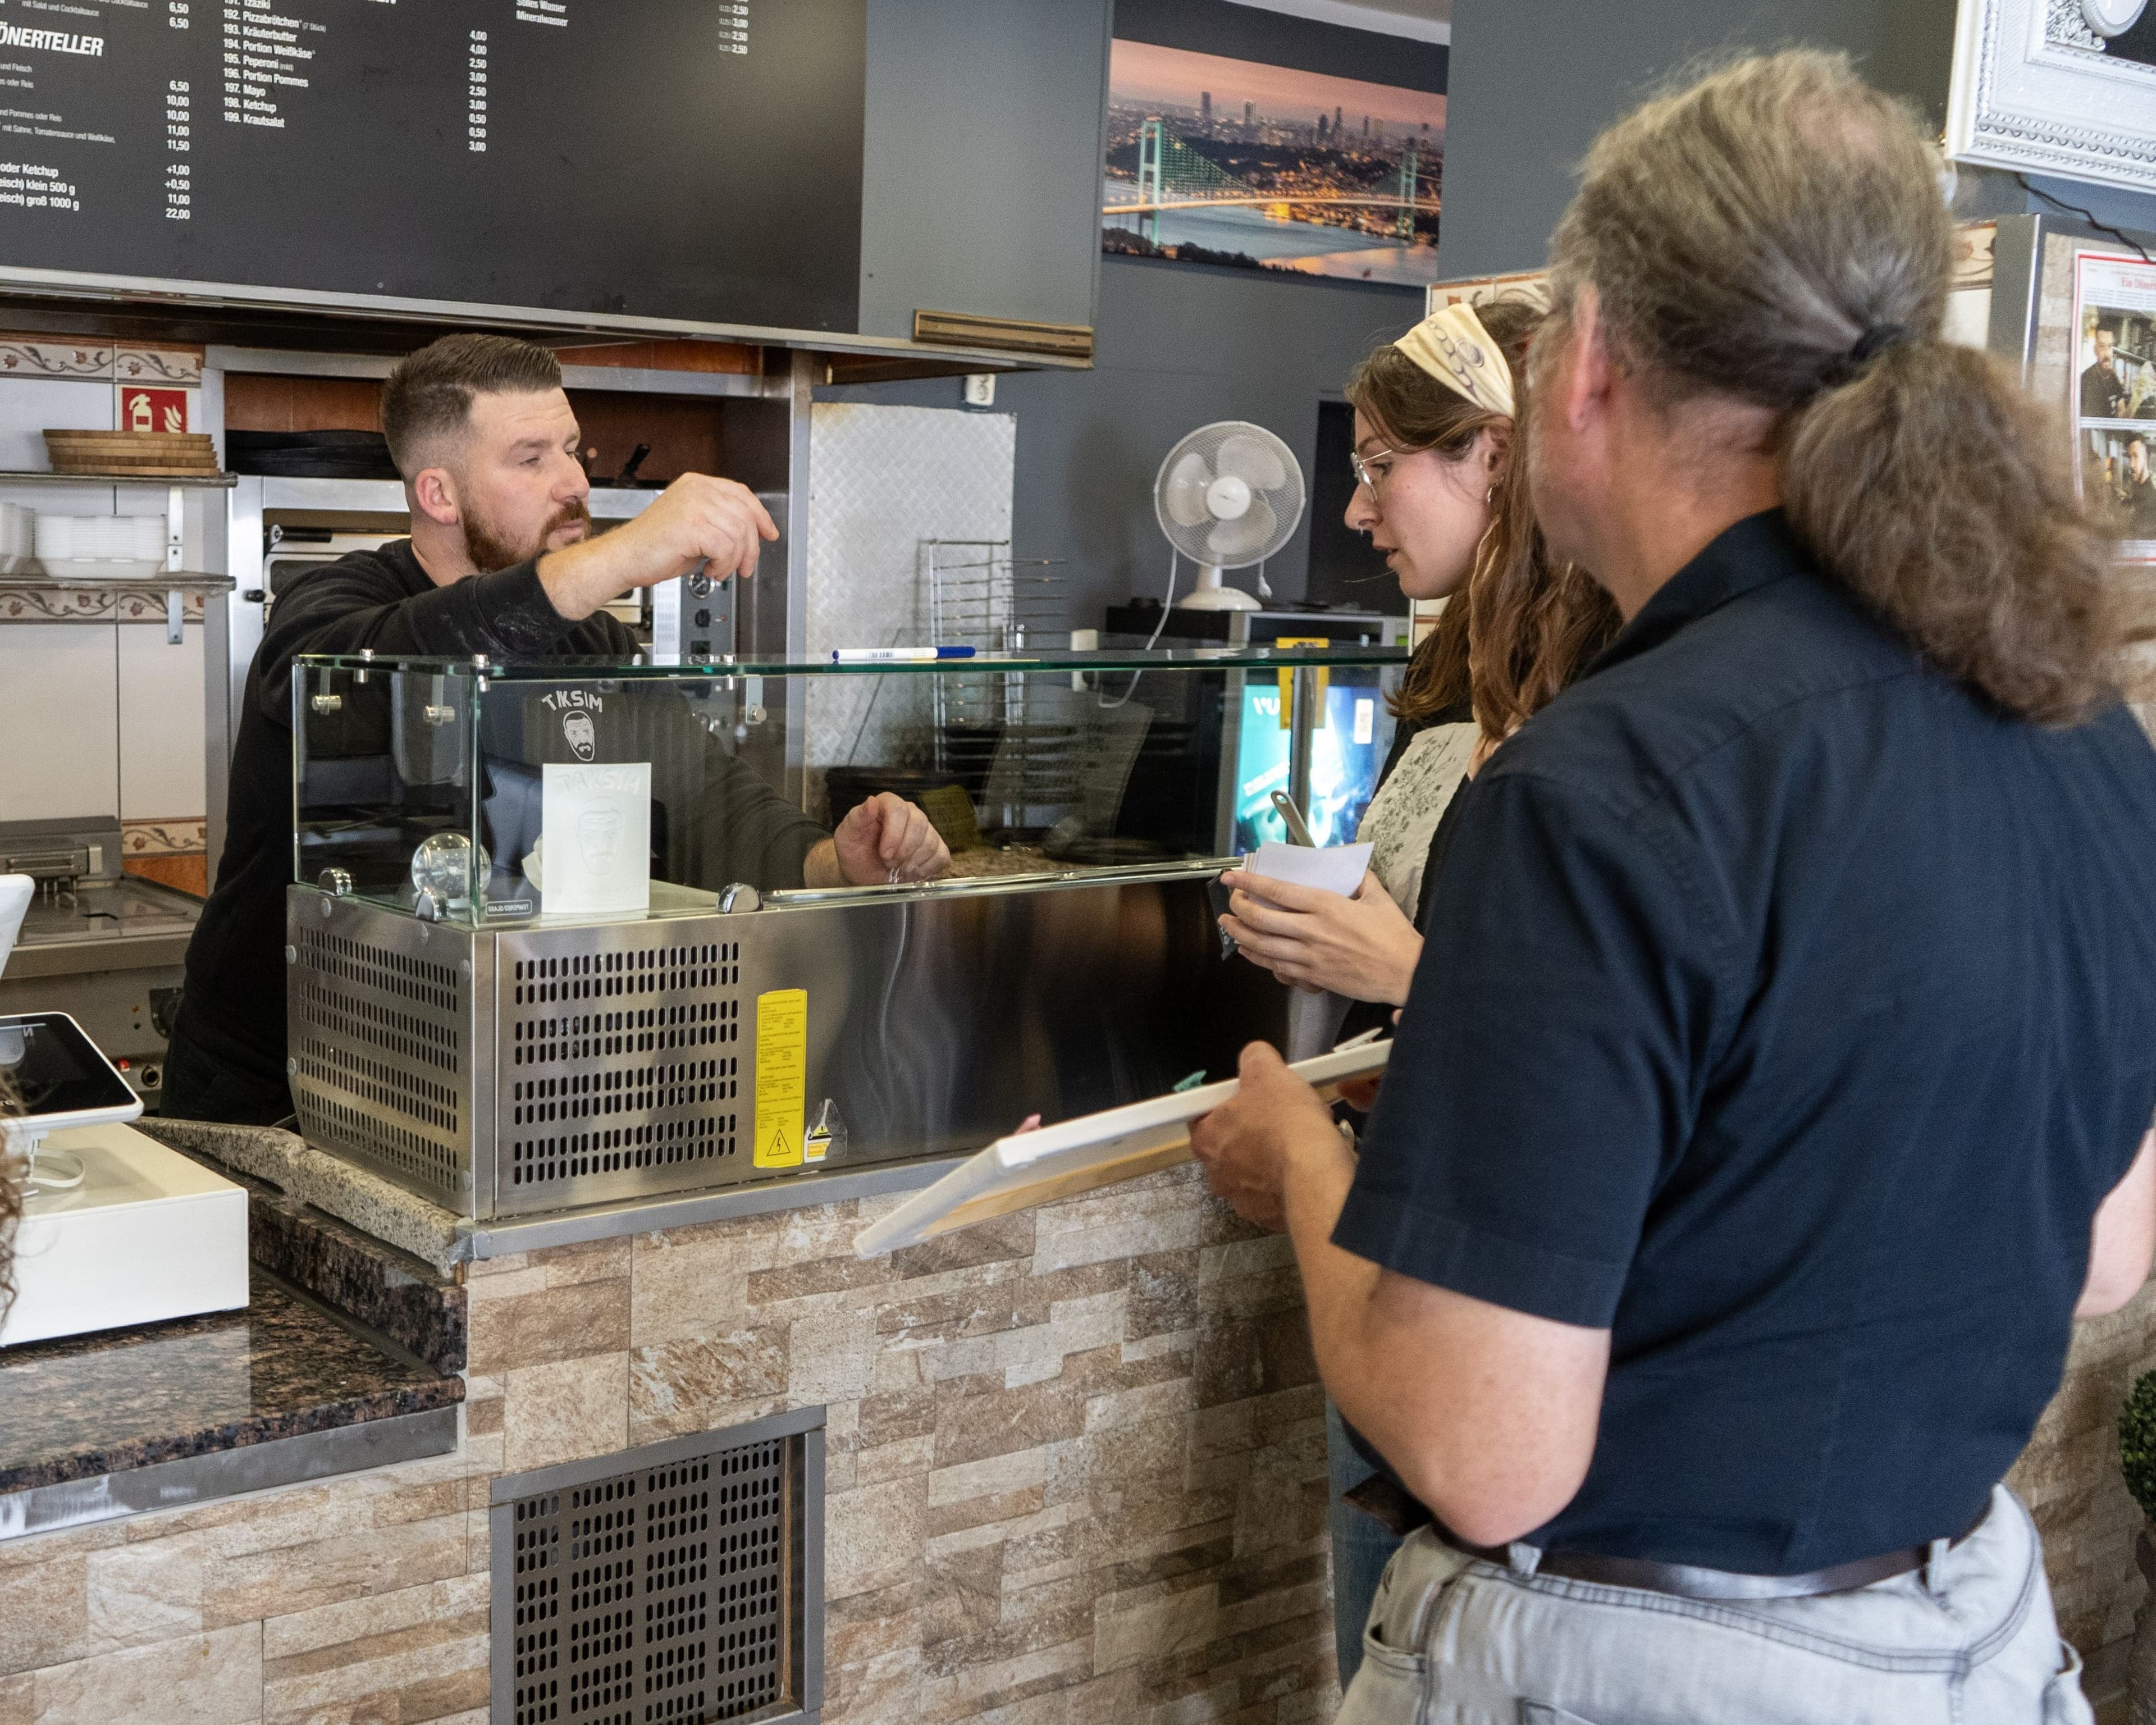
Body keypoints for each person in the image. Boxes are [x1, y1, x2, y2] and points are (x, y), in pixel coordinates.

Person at [1190, 49, 2156, 1725]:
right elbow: (2100, 1256)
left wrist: (1294, 1153)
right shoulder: (2079, 735)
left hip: (1628, 1673)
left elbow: (1485, 1449)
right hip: (1969, 1646)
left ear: (1590, 369)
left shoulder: (1596, 792)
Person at [165, 333, 946, 1126]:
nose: (574, 483)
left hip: (492, 1091)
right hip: (283, 1102)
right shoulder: (333, 610)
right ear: (438, 494)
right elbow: (353, 673)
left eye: (571, 449)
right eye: (531, 458)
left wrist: (833, 861)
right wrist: (622, 557)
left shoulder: (594, 647)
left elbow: (710, 804)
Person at [1216, 298, 1616, 1686]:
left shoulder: (1604, 720)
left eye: (1385, 459)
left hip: (1490, 1283)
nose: (1356, 498)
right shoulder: (1458, 681)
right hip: (1405, 1219)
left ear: (1493, 460)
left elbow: (1598, 1050)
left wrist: (1400, 971)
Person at [2082, 323, 2130, 419]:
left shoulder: (2113, 377)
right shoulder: (2087, 379)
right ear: (2095, 350)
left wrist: (2139, 396)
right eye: (2102, 346)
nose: (2107, 354)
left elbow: (2122, 410)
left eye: (2110, 346)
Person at [2125, 436, 2156, 540]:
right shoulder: (2137, 489)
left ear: (2145, 458)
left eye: (2136, 456)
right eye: (2130, 457)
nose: (2131, 465)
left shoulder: (2151, 499)